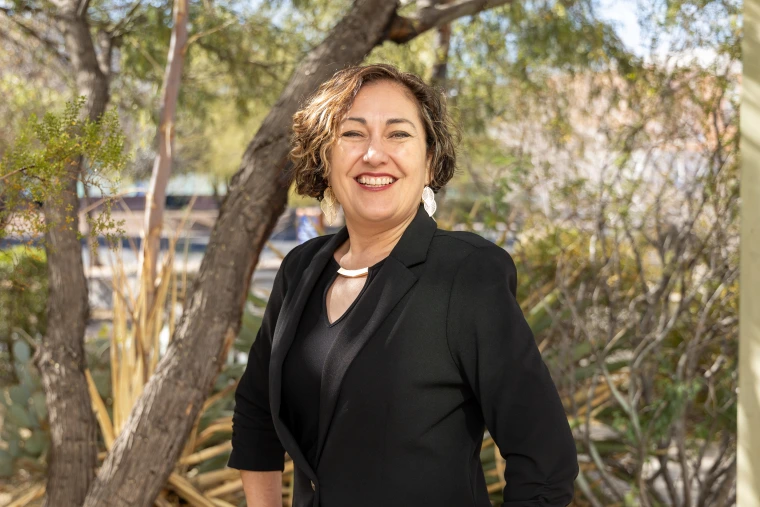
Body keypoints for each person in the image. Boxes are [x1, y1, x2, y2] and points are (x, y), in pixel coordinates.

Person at [228, 63, 578, 507]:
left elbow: (546, 464)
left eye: (398, 134)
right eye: (353, 134)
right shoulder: (300, 270)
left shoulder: (467, 274)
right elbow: (257, 412)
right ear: (324, 156)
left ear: (430, 161)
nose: (375, 154)